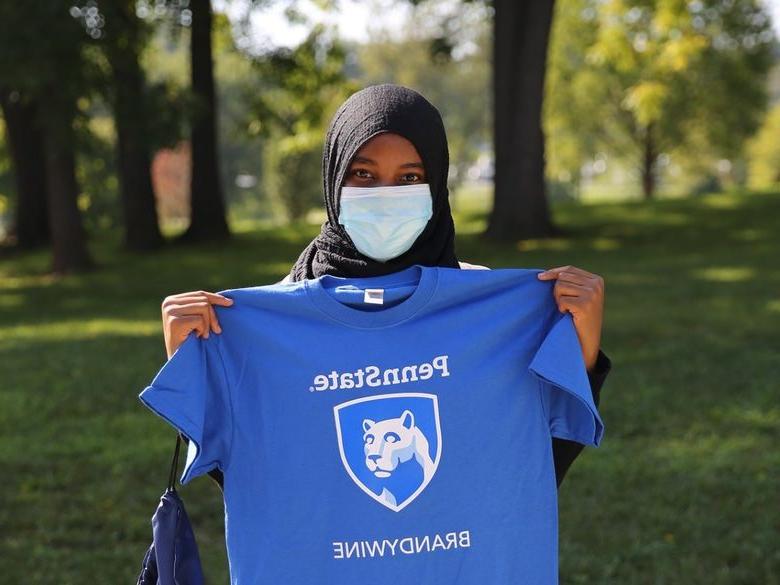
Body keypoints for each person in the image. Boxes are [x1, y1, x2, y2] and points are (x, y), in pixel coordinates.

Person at [158, 83, 611, 493]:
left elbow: (529, 469)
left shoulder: (487, 312)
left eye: (411, 178)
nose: (386, 193)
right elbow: (254, 481)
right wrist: (187, 365)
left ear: (437, 183)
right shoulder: (272, 323)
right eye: (363, 174)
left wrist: (583, 351)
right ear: (334, 178)